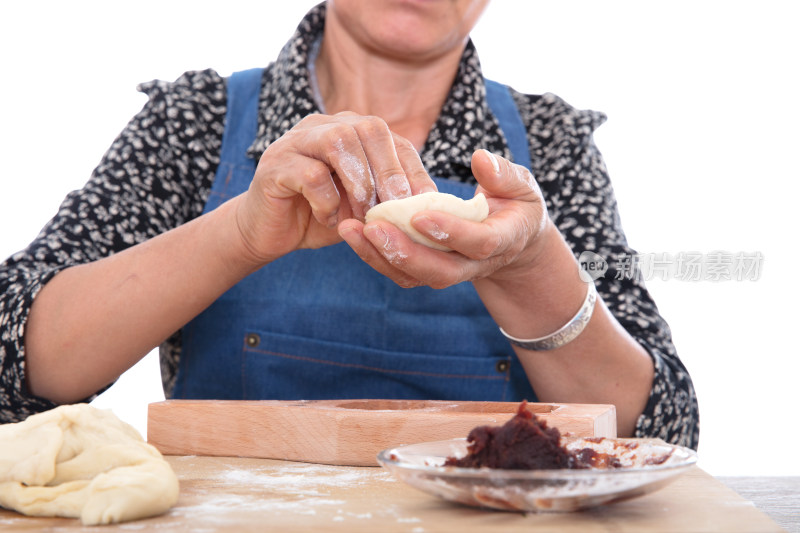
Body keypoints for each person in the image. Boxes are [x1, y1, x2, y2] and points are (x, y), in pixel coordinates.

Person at [0, 0, 698, 448]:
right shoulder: (198, 120)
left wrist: (534, 265)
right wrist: (238, 232)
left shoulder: (551, 144)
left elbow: (664, 428)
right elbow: (14, 362)